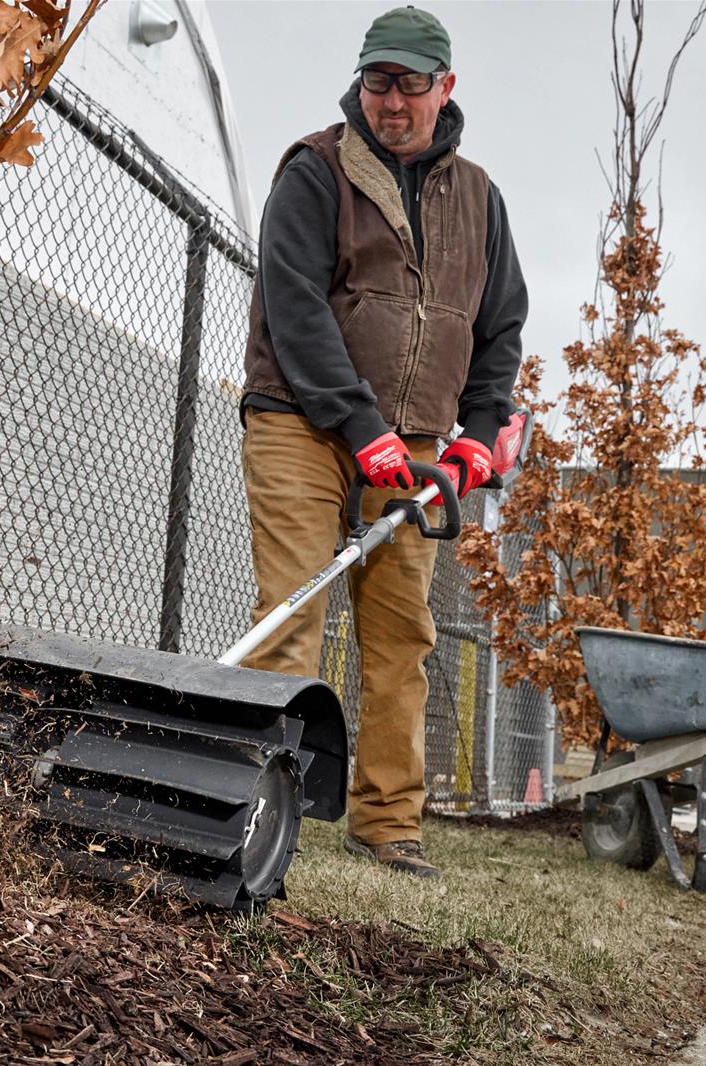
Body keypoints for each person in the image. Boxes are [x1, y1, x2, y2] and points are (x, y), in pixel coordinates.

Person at [239, 5, 528, 878]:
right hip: (301, 418)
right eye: (377, 82)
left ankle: (387, 823)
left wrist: (479, 434)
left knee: (404, 636)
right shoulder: (314, 170)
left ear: (447, 87)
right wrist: (361, 429)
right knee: (294, 611)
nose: (390, 102)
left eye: (409, 84)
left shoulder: (480, 199)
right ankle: (256, 799)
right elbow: (295, 310)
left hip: (416, 447)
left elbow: (499, 330)